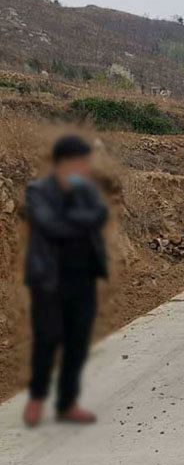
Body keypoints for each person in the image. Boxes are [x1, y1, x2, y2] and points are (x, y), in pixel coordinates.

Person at [22, 135, 108, 427]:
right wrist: (79, 220)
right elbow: (49, 225)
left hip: (83, 277)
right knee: (47, 338)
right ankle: (36, 398)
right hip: (49, 279)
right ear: (64, 162)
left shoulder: (85, 190)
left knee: (77, 341)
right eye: (81, 162)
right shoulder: (38, 191)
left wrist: (72, 219)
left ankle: (66, 402)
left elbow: (100, 215)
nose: (85, 168)